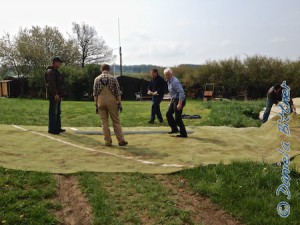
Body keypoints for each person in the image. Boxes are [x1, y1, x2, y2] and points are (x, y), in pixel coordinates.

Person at [93, 64, 128, 146]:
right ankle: (120, 139)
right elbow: (118, 92)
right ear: (109, 69)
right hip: (111, 101)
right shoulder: (113, 78)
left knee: (104, 122)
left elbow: (95, 94)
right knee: (116, 121)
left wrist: (96, 105)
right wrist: (119, 103)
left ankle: (108, 141)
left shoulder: (97, 79)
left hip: (101, 101)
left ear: (101, 69)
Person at [164, 68, 188, 138]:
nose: (167, 76)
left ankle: (183, 134)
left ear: (171, 74)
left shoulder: (175, 82)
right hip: (174, 100)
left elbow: (181, 93)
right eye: (166, 75)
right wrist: (171, 102)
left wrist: (180, 103)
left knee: (177, 119)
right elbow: (173, 93)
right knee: (168, 114)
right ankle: (174, 129)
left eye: (168, 74)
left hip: (180, 100)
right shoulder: (168, 81)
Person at [45, 57, 66, 135]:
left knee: (57, 112)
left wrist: (61, 94)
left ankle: (57, 128)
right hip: (53, 95)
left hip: (58, 95)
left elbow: (59, 84)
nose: (60, 64)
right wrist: (55, 94)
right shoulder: (50, 72)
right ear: (55, 62)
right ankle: (52, 129)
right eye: (59, 62)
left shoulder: (56, 72)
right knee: (53, 112)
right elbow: (51, 84)